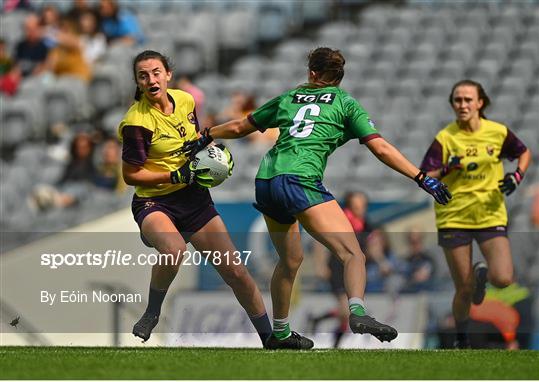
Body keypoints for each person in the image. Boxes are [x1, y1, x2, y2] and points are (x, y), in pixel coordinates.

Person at [182, 47, 452, 349]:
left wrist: (206, 134)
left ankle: (280, 334)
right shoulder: (346, 103)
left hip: (267, 181)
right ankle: (358, 312)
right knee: (353, 254)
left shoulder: (289, 98)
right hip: (300, 181)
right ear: (339, 76)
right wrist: (420, 177)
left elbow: (239, 126)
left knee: (291, 259)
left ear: (312, 72)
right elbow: (381, 148)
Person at [117, 50, 271, 346]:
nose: (151, 79)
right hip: (155, 202)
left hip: (194, 199)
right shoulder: (137, 122)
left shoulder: (185, 101)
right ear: (137, 81)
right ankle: (152, 312)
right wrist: (173, 176)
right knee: (174, 250)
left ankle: (270, 338)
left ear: (168, 75)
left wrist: (206, 154)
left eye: (156, 72)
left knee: (236, 271)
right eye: (143, 75)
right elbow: (131, 176)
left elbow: (188, 142)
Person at [419, 79, 532, 348]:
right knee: (464, 288)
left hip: (490, 213)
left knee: (503, 278)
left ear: (480, 103)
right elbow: (425, 175)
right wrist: (448, 168)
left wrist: (517, 175)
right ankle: (461, 338)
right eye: (457, 100)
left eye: (468, 99)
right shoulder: (446, 137)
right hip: (454, 217)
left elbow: (524, 153)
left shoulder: (498, 132)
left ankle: (483, 280)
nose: (462, 105)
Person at [310, 190, 373, 348]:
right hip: (337, 268)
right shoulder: (341, 220)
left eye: (363, 205)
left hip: (354, 270)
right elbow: (319, 241)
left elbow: (373, 245)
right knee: (346, 311)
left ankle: (325, 328)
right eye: (358, 205)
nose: (361, 209)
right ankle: (334, 342)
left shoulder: (365, 224)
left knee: (347, 313)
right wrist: (320, 265)